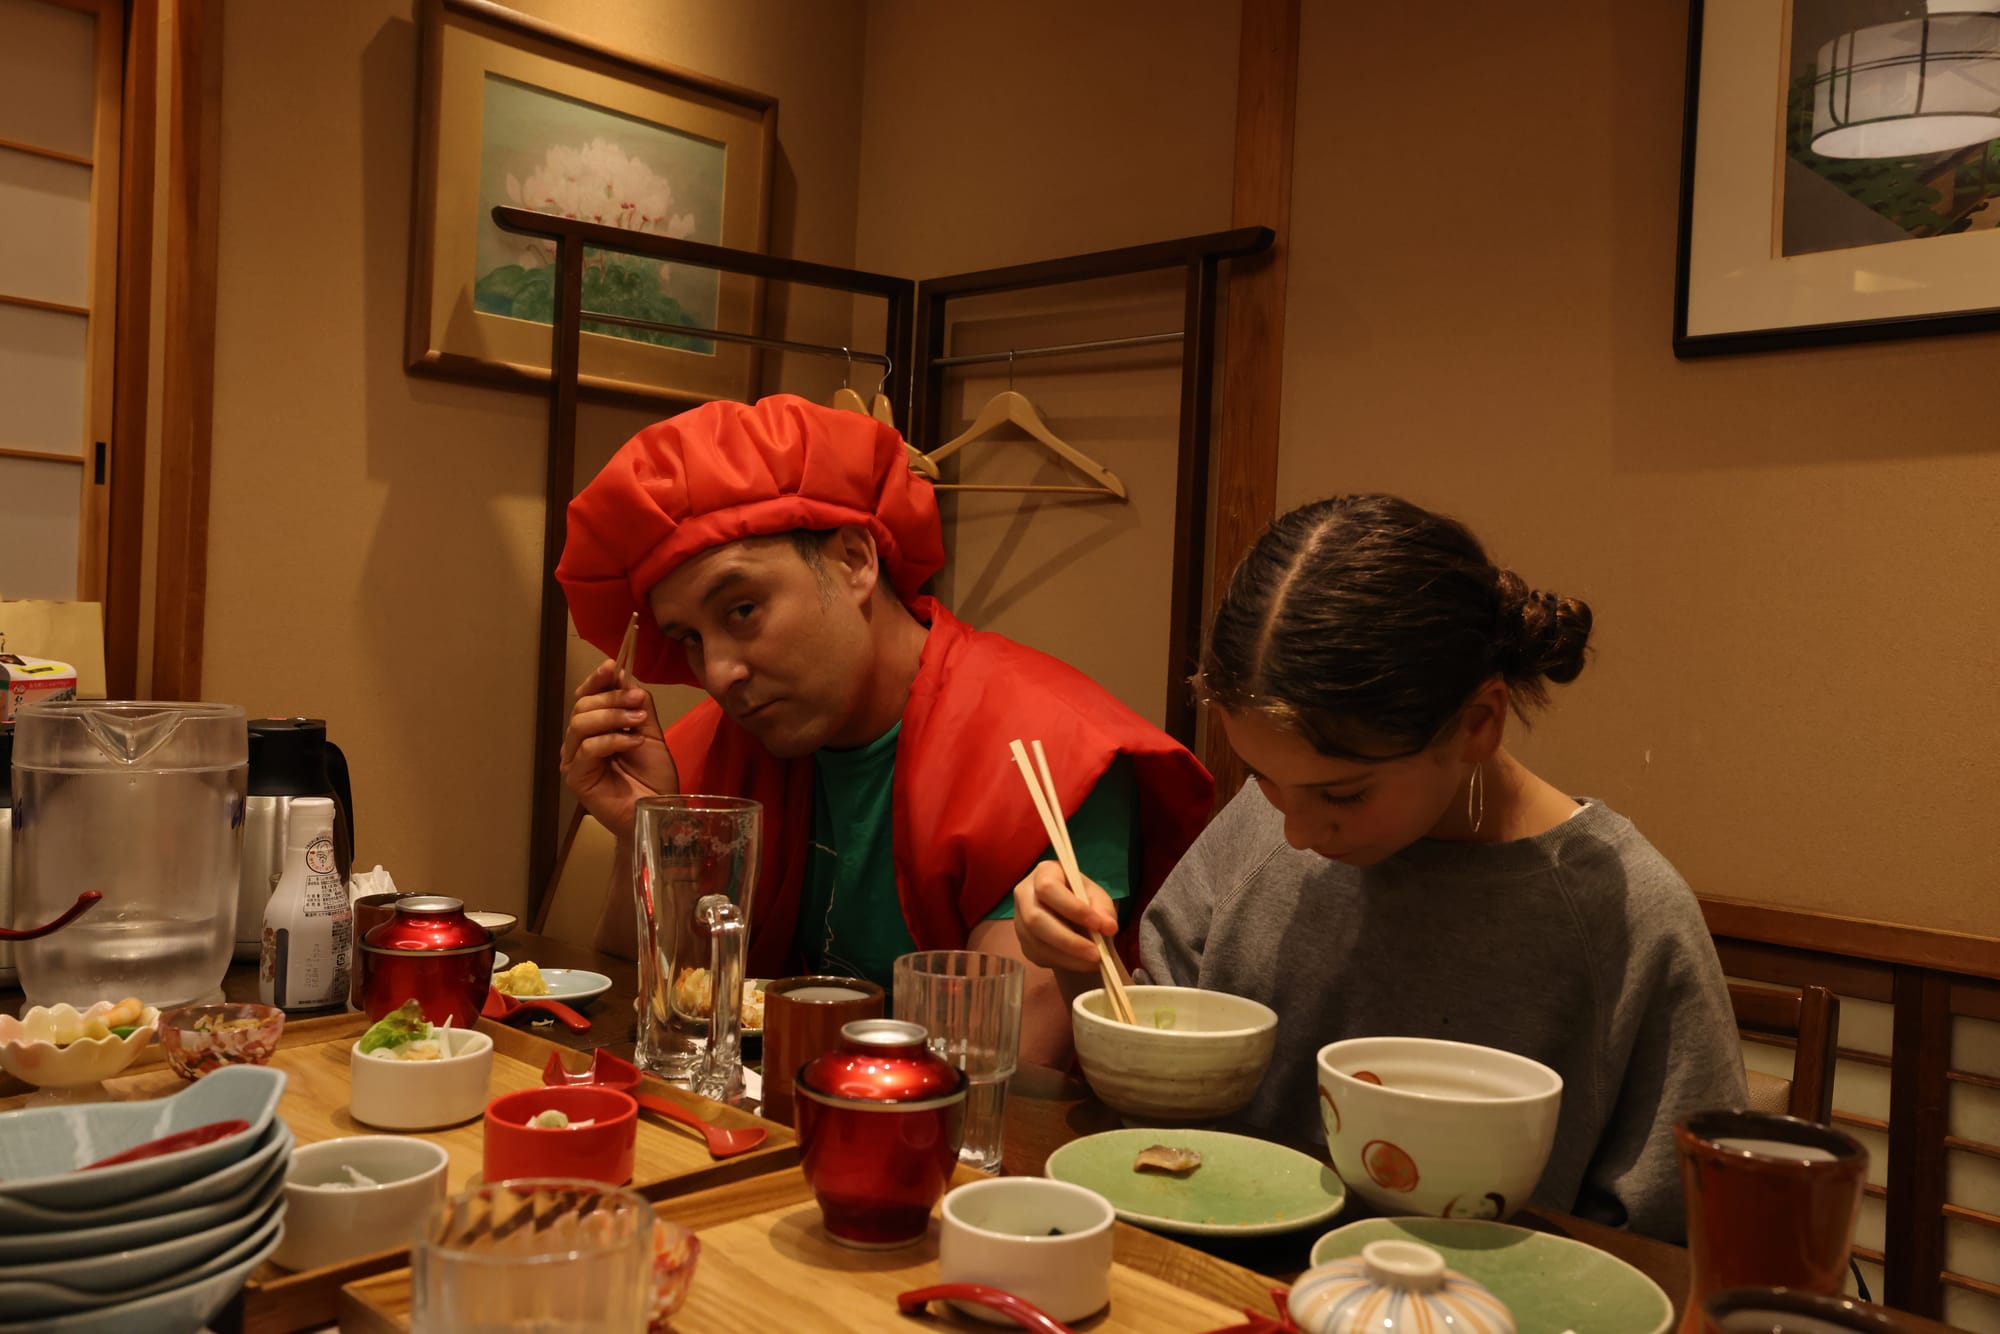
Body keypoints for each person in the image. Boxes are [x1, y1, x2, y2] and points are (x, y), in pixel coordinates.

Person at [1010, 493, 1746, 1241]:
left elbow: (1684, 1241)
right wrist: (1076, 955)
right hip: (1213, 1270)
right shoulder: (1261, 824)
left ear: (1478, 724)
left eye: (1344, 794)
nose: (1294, 831)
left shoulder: (1623, 915)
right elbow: (1157, 1096)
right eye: (1264, 779)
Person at [555, 394, 1213, 1065]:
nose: (719, 673)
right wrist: (652, 834)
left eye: (743, 609)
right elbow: (639, 1004)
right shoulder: (718, 745)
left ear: (854, 560)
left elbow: (995, 1066)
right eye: (689, 639)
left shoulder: (1050, 753)